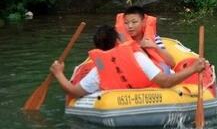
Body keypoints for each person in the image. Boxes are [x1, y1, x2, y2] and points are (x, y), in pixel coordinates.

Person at [50, 25, 207, 98]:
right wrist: (193, 69)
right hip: (156, 99)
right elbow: (165, 82)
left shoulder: (99, 70)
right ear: (118, 40)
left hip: (117, 112)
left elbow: (74, 91)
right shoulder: (137, 58)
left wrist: (58, 74)